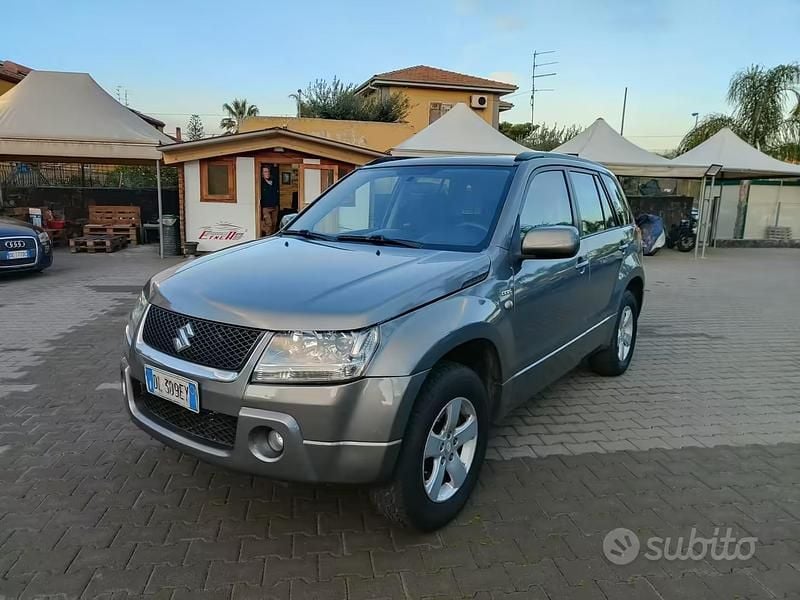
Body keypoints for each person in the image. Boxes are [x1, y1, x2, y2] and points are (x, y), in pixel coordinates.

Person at [260, 165, 280, 235]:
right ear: (262, 173)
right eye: (265, 172)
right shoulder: (260, 183)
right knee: (269, 224)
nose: (267, 173)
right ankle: (267, 238)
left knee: (274, 224)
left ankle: (273, 237)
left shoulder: (274, 181)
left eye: (268, 171)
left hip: (275, 206)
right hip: (266, 207)